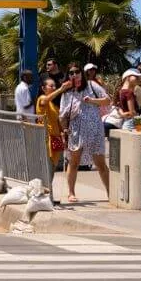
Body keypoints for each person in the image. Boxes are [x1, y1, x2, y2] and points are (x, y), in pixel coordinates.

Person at [58, 62, 111, 202]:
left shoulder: (92, 86)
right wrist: (64, 130)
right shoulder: (67, 92)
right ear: (68, 76)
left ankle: (111, 192)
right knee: (73, 162)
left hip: (95, 130)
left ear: (81, 72)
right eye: (71, 73)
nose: (74, 75)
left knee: (100, 163)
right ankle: (71, 192)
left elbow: (107, 100)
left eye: (77, 71)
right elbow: (62, 115)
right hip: (76, 131)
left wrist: (92, 100)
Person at [36, 76, 70, 169]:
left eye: (55, 86)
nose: (54, 88)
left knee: (52, 166)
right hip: (46, 137)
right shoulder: (42, 98)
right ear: (43, 88)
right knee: (47, 166)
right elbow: (44, 101)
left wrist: (64, 132)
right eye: (51, 86)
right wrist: (60, 89)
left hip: (55, 138)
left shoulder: (53, 105)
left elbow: (58, 121)